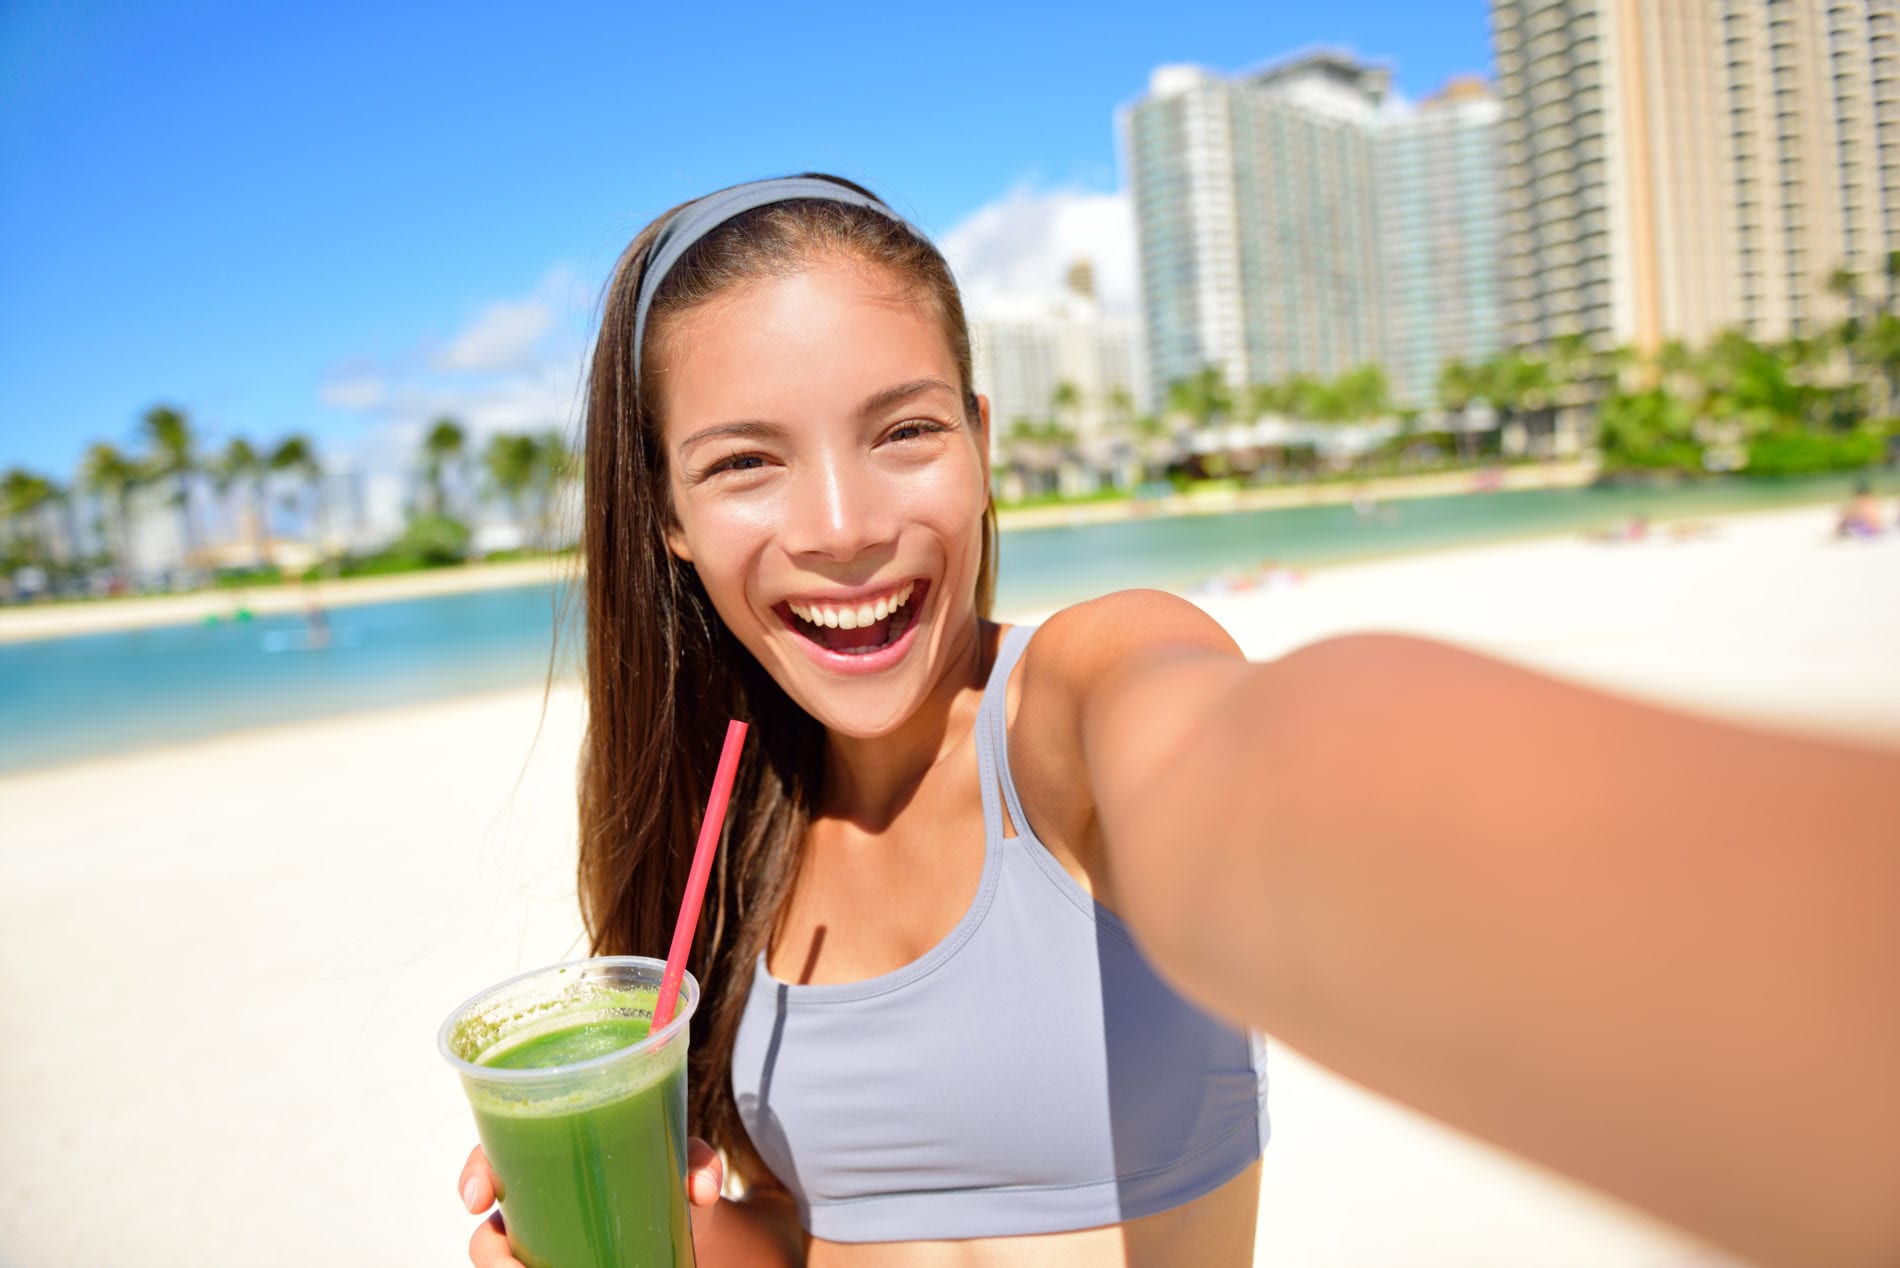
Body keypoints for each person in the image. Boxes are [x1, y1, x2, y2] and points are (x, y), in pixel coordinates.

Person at [459, 175, 1900, 1268]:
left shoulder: (1082, 702)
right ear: (666, 520)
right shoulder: (731, 819)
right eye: (746, 463)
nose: (842, 529)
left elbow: (1259, 773)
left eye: (903, 431)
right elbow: (793, 1230)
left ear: (977, 437)